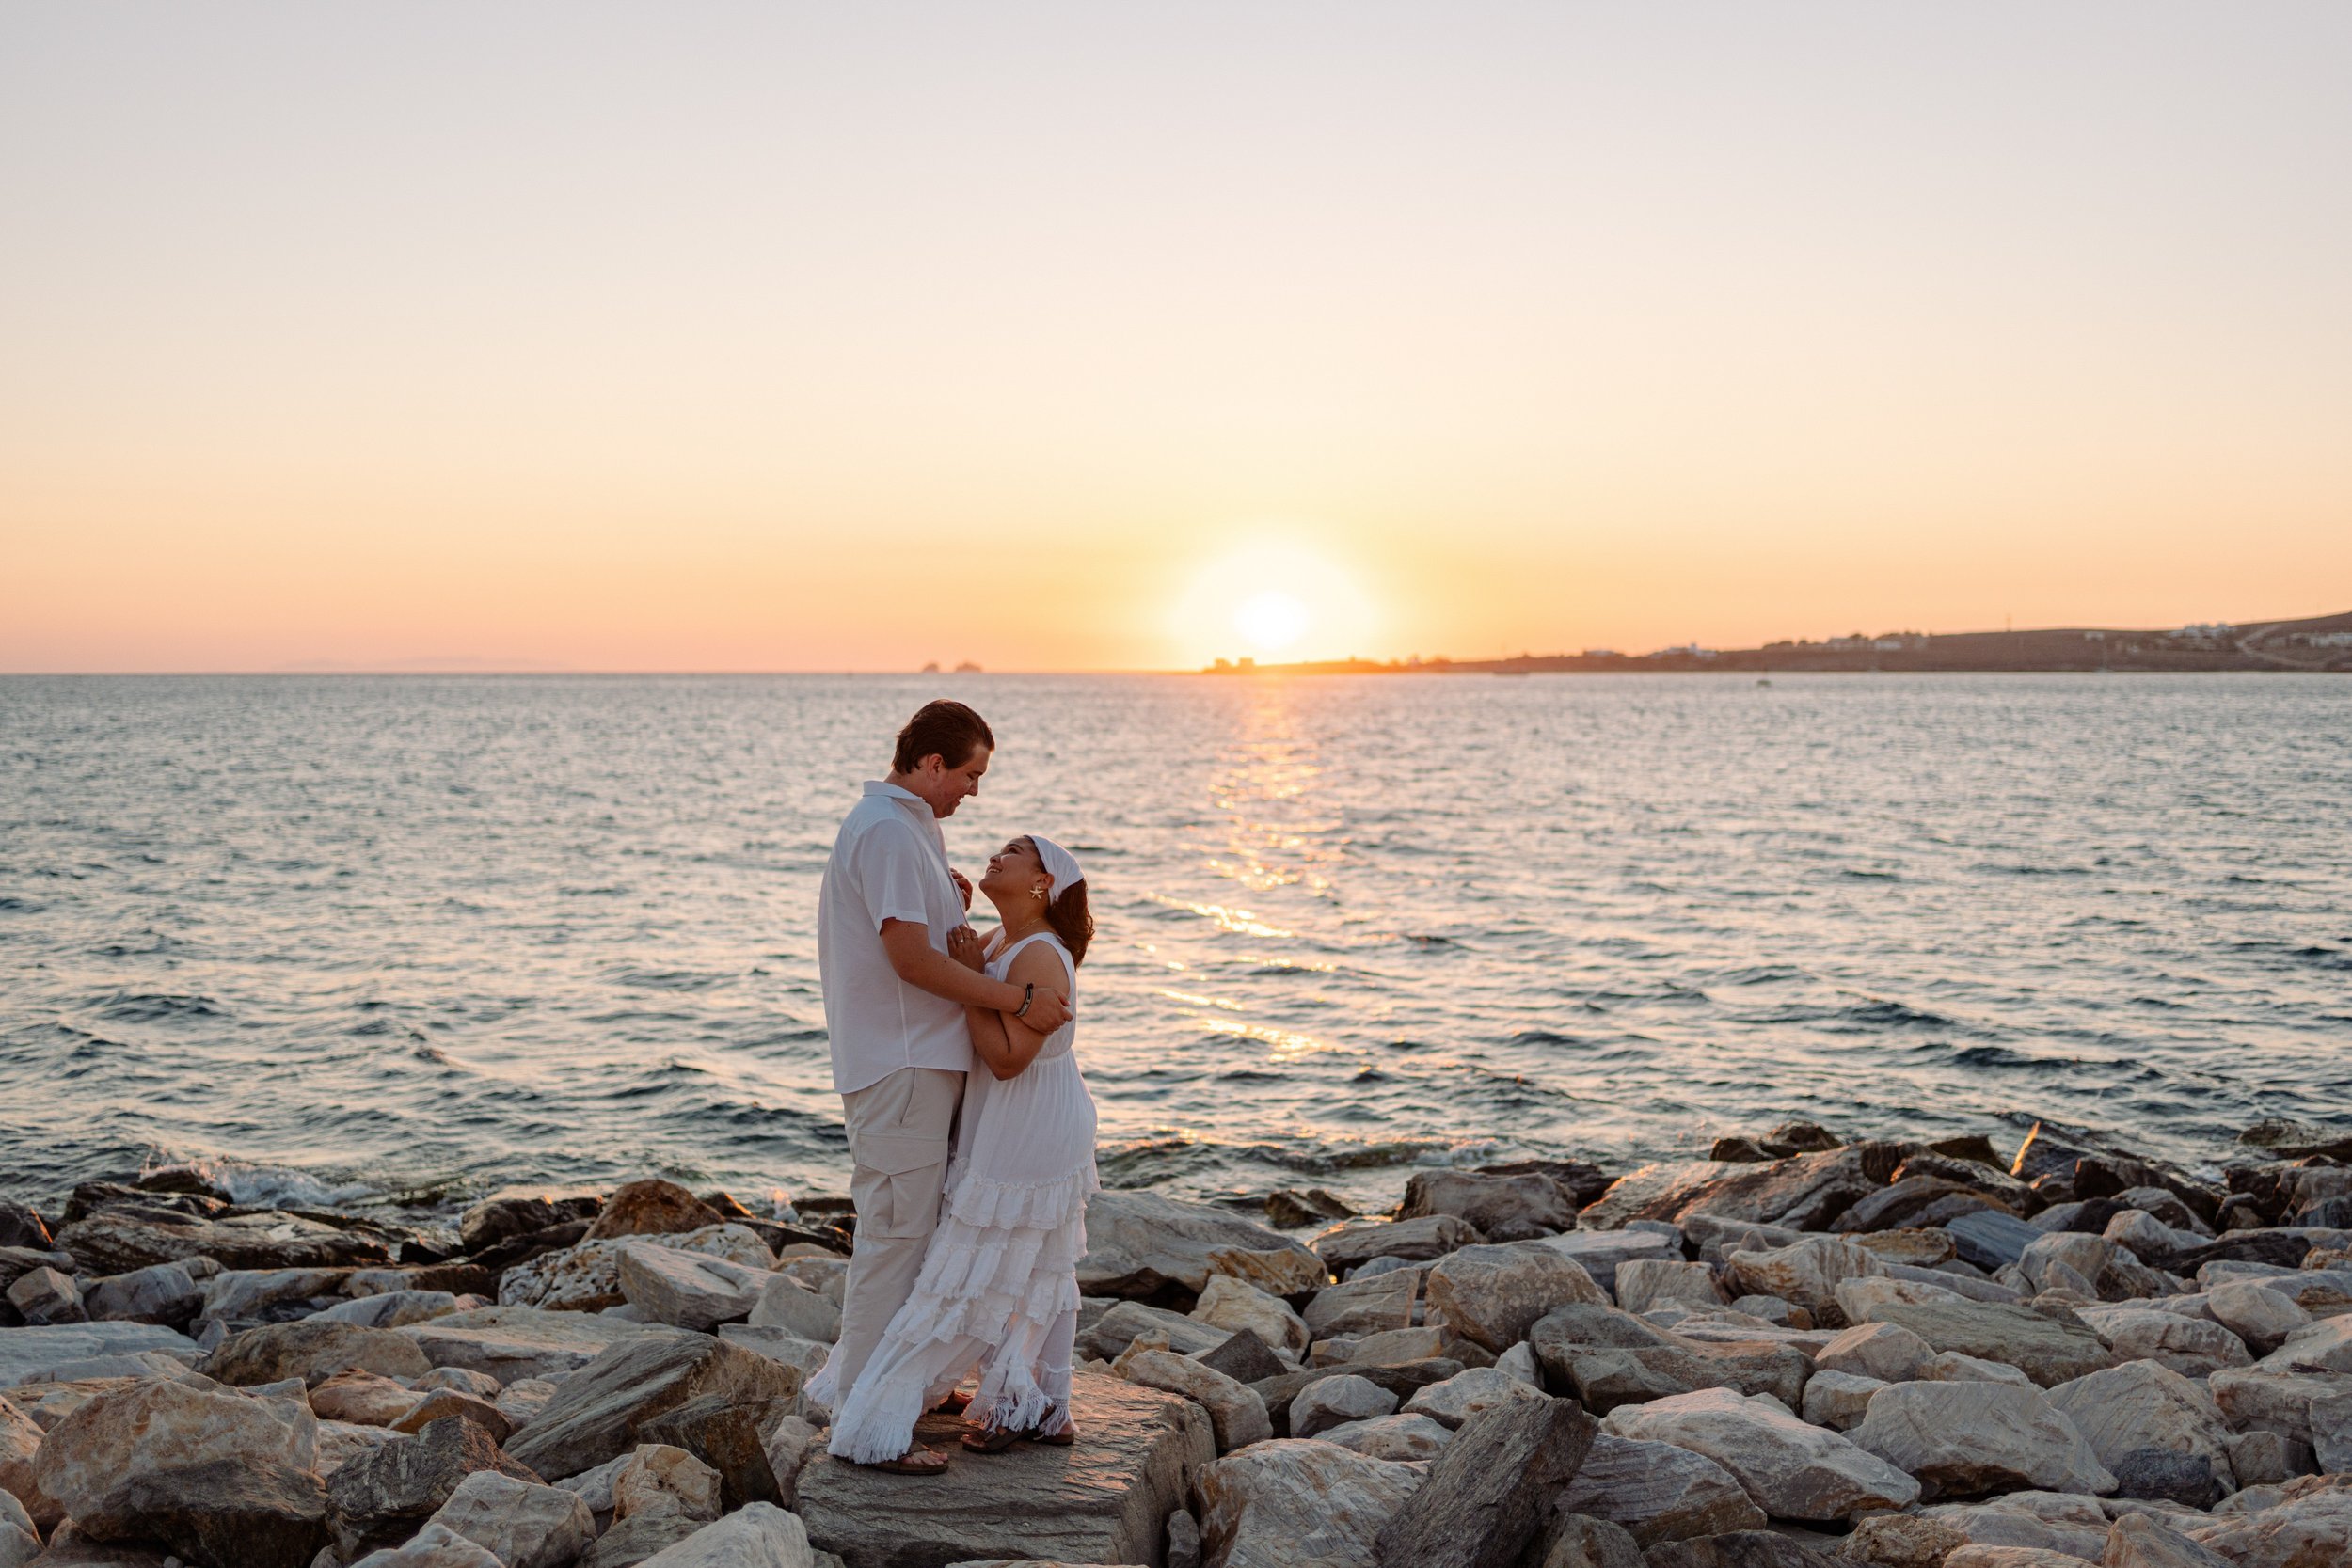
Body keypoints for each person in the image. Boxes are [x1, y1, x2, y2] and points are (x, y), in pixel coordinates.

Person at [803, 702, 1072, 1459]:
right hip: (902, 1064)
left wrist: (943, 901)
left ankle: (907, 1389)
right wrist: (1018, 997)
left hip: (917, 1062)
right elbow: (912, 963)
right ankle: (862, 1424)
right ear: (930, 765)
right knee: (893, 1240)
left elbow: (920, 937)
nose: (974, 792)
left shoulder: (908, 828)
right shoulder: (889, 830)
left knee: (919, 1237)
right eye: (971, 774)